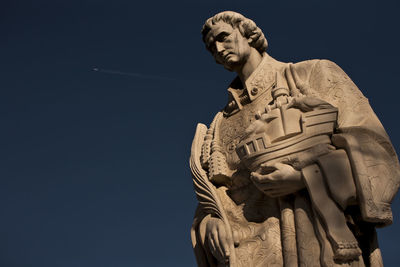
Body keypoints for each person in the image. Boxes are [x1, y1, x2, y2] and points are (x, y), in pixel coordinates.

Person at [190, 11, 400, 267]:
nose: (219, 49)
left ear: (247, 32)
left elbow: (375, 151)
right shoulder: (219, 124)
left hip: (314, 241)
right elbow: (214, 197)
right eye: (212, 47)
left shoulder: (313, 74)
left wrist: (306, 177)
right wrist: (210, 224)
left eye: (223, 37)